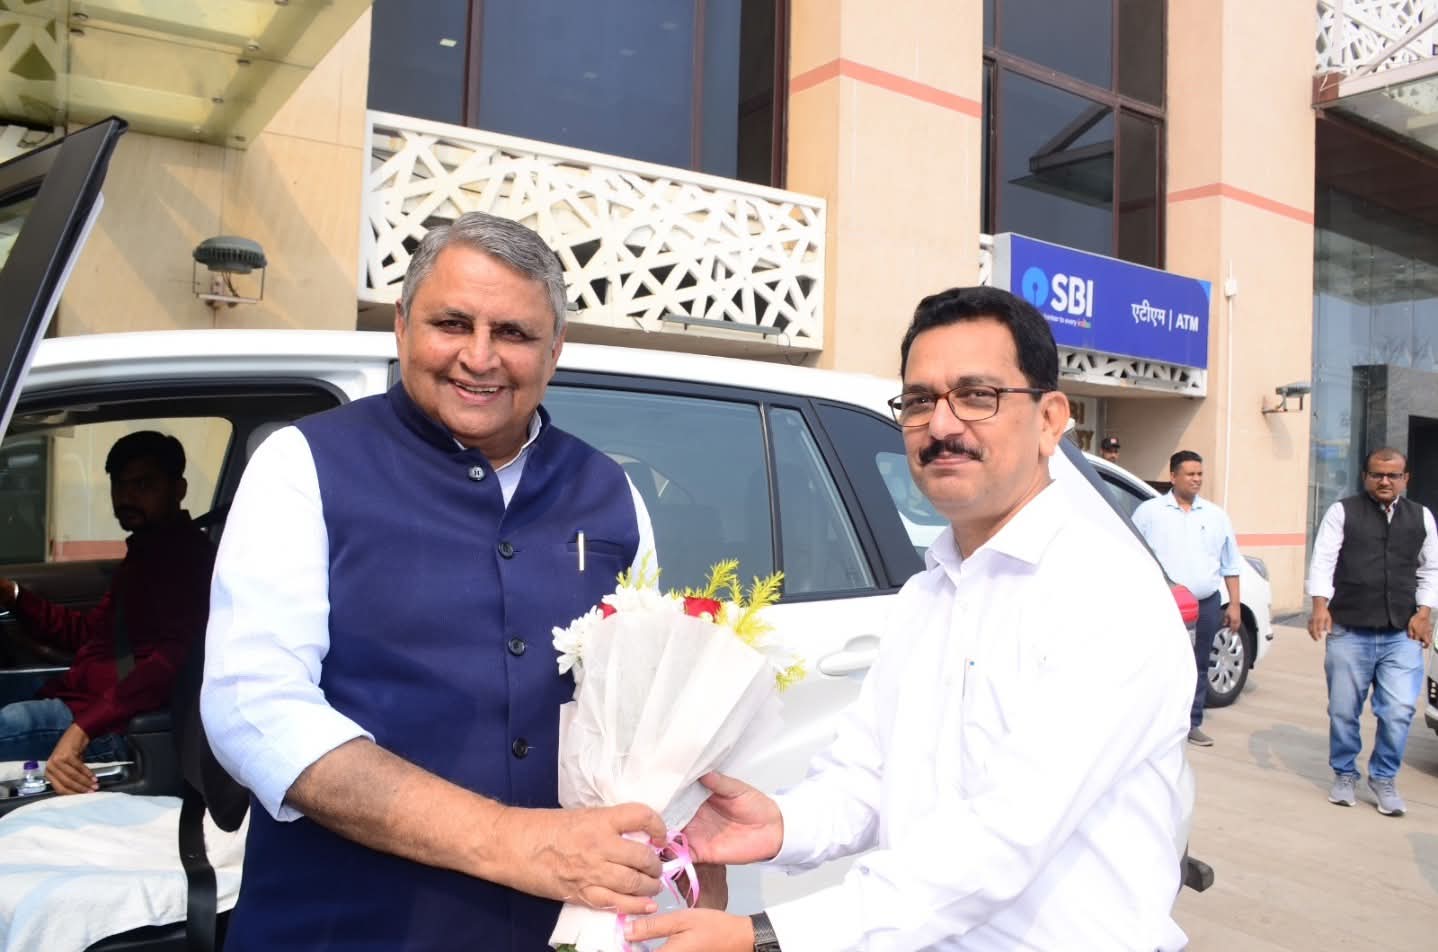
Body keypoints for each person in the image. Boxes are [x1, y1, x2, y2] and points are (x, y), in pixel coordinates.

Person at [624, 286, 1195, 951]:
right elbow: (867, 776)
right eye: (920, 401)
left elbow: (1003, 836)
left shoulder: (1106, 594)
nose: (942, 425)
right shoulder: (929, 593)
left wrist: (765, 938)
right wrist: (779, 823)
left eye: (976, 395)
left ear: (1049, 420)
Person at [201, 212, 670, 950]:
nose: (479, 358)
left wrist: (686, 866)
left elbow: (645, 709)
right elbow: (253, 707)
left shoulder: (611, 493)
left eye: (513, 333)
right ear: (401, 325)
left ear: (555, 349)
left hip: (560, 929)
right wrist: (513, 842)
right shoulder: (303, 466)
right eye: (452, 323)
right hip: (345, 928)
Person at [0, 431, 214, 794]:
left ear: (178, 489)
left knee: (10, 721)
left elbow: (168, 665)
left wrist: (81, 730)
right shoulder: (146, 551)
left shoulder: (186, 561)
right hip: (79, 698)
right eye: (119, 485)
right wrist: (13, 595)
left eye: (143, 485)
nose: (127, 497)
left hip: (114, 726)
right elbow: (90, 635)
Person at [1305, 447, 1437, 817]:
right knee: (1343, 711)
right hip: (1349, 631)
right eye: (1377, 474)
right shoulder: (1341, 512)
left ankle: (1383, 777)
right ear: (1365, 476)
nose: (1385, 481)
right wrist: (1320, 606)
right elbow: (1324, 560)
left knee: (1398, 710)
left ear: (1405, 479)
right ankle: (1345, 773)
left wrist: (1424, 613)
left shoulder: (1421, 517)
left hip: (1401, 634)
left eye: (1393, 475)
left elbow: (1431, 569)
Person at [1132, 450, 1241, 748]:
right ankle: (1153, 726)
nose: (1196, 479)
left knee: (1198, 665)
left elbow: (1231, 564)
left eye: (1200, 474)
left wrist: (1234, 604)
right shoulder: (1149, 513)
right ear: (1173, 476)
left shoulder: (1216, 516)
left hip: (1205, 605)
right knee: (1158, 664)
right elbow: (1132, 555)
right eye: (1190, 474)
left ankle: (1191, 723)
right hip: (1162, 605)